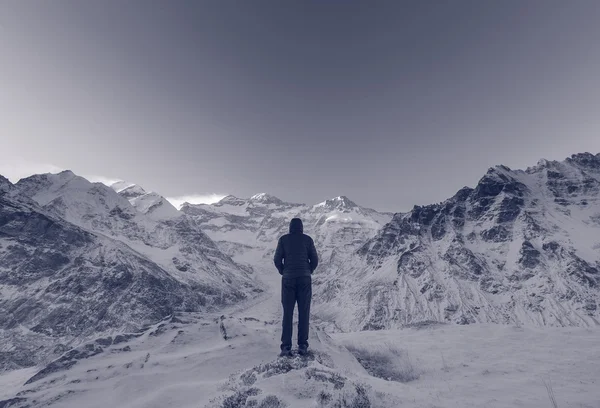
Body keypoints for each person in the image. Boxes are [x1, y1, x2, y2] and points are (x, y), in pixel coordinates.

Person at [273, 218, 318, 357]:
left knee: (288, 313)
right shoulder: (308, 240)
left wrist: (283, 271)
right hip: (304, 279)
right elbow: (315, 260)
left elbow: (276, 259)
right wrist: (308, 271)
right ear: (301, 227)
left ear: (290, 227)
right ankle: (302, 346)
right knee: (304, 312)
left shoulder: (283, 239)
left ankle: (286, 347)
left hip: (288, 280)